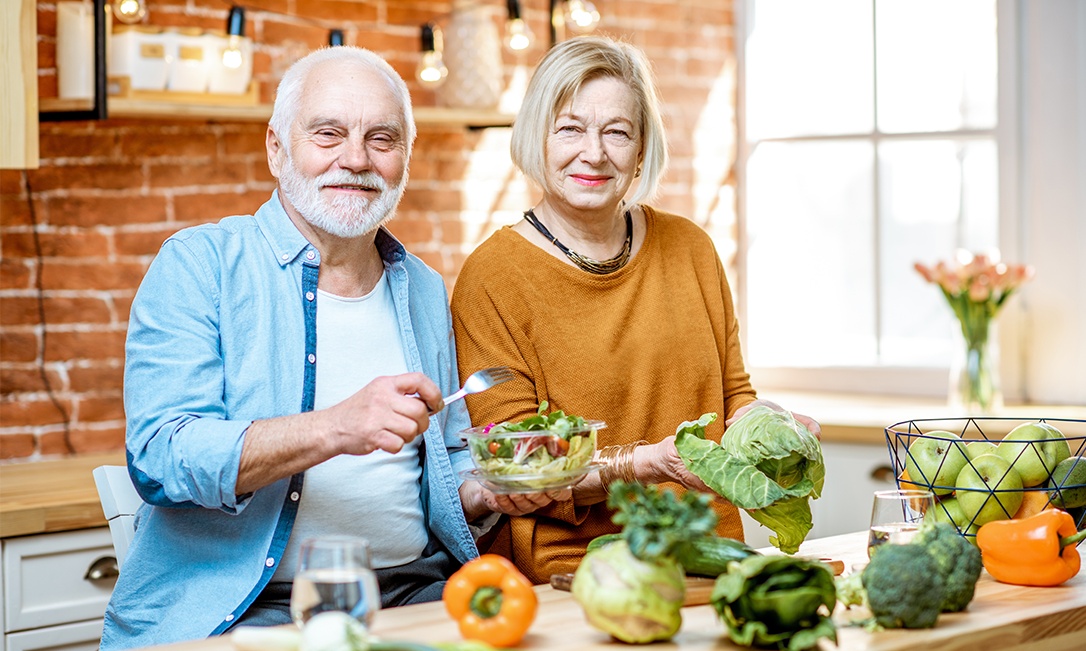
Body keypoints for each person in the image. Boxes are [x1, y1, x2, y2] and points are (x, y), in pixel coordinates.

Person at [101, 46, 553, 650]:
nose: (356, 159)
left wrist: (488, 490)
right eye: (328, 134)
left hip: (415, 594)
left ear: (405, 158)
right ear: (276, 149)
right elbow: (161, 457)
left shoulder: (420, 286)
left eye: (381, 139)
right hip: (247, 610)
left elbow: (448, 458)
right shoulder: (200, 264)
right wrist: (335, 427)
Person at [450, 35, 821, 585]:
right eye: (570, 128)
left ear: (642, 147)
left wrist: (766, 425)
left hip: (709, 557)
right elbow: (522, 470)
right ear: (535, 136)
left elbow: (732, 395)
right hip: (576, 573)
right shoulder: (492, 276)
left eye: (617, 132)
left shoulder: (691, 248)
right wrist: (642, 465)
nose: (594, 153)